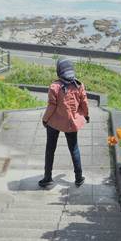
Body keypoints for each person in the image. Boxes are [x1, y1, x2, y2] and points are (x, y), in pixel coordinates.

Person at [38, 57, 90, 188]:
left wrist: (45, 119)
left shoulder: (54, 87)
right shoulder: (79, 85)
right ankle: (78, 177)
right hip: (71, 123)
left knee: (50, 149)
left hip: (54, 122)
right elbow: (84, 102)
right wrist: (86, 115)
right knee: (74, 149)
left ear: (59, 71)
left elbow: (51, 107)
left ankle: (47, 177)